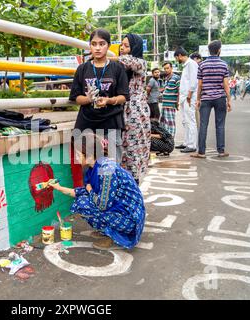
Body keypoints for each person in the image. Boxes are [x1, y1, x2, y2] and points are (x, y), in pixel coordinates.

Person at [50, 133, 146, 250]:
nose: (75, 157)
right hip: (120, 210)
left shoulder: (106, 169)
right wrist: (59, 187)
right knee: (81, 201)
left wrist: (90, 191)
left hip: (130, 218)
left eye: (78, 154)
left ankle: (113, 235)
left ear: (89, 154)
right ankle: (107, 231)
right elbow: (82, 191)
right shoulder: (94, 167)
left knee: (82, 204)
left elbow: (102, 205)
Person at [69, 28, 130, 163]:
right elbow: (76, 97)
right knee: (88, 168)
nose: (97, 48)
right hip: (87, 124)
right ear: (90, 45)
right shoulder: (82, 69)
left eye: (102, 44)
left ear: (108, 45)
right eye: (94, 44)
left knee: (111, 168)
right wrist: (88, 99)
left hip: (111, 123)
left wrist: (109, 100)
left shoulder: (117, 68)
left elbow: (124, 96)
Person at [110, 33, 151, 185]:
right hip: (121, 111)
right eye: (121, 45)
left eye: (126, 46)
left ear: (135, 47)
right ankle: (124, 182)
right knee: (122, 148)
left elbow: (127, 61)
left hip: (135, 113)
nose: (122, 48)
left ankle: (133, 183)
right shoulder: (119, 67)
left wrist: (101, 57)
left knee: (134, 149)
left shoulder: (140, 63)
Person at [191, 40, 232, 159]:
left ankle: (201, 152)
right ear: (219, 50)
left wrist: (198, 99)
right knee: (220, 125)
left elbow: (200, 85)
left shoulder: (202, 65)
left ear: (209, 51)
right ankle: (221, 151)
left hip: (206, 98)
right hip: (220, 98)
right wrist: (229, 100)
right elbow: (226, 85)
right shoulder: (224, 65)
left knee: (203, 125)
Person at [174, 47, 198, 153]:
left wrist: (189, 95)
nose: (176, 60)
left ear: (179, 55)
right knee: (185, 121)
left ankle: (192, 145)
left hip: (189, 97)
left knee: (190, 121)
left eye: (176, 58)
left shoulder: (192, 64)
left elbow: (193, 81)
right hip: (184, 97)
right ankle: (186, 142)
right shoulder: (186, 65)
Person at [159, 61, 181, 139]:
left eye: (168, 68)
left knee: (170, 122)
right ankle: (165, 138)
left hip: (171, 104)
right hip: (165, 104)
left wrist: (177, 102)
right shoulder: (166, 78)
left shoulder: (176, 77)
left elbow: (179, 90)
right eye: (165, 69)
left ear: (171, 68)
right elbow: (165, 90)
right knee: (164, 122)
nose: (166, 70)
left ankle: (171, 139)